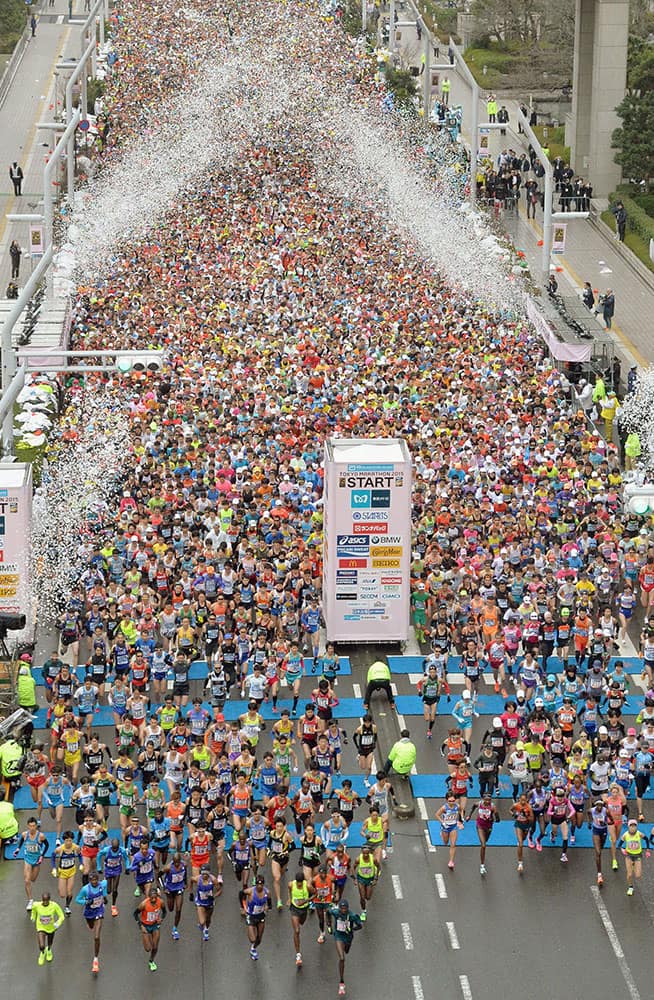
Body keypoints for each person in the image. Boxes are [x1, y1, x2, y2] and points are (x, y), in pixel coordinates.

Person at [328, 897, 363, 996]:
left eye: (345, 908)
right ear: (339, 908)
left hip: (348, 937)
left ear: (348, 908)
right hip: (338, 936)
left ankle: (346, 946)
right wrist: (329, 925)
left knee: (346, 951)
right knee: (342, 958)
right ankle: (341, 982)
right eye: (341, 908)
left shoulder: (352, 915)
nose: (343, 910)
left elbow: (360, 925)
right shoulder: (335, 912)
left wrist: (352, 929)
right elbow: (328, 912)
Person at [75, 871, 107, 973]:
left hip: (99, 911)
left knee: (96, 937)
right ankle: (90, 924)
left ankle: (95, 959)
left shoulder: (102, 884)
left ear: (98, 879)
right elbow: (77, 899)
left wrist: (105, 898)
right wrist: (86, 902)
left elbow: (105, 889)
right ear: (89, 881)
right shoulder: (85, 889)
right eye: (92, 880)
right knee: (91, 926)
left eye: (96, 880)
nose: (94, 882)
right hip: (89, 913)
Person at [14, 816, 48, 909]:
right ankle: (30, 900)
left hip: (36, 860)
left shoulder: (41, 836)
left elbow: (47, 845)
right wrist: (18, 849)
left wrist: (42, 855)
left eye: (34, 826)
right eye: (30, 826)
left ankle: (30, 899)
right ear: (28, 826)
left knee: (33, 879)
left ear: (36, 826)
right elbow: (21, 841)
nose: (32, 828)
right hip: (27, 859)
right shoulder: (25, 834)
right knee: (27, 880)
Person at [618, 818, 651, 895]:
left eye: (634, 826)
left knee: (638, 875)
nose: (633, 828)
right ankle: (630, 887)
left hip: (637, 855)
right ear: (628, 827)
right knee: (629, 874)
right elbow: (620, 844)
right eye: (631, 826)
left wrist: (648, 849)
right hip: (629, 855)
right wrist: (622, 849)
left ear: (637, 827)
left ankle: (633, 865)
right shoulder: (625, 835)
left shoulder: (639, 834)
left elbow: (646, 839)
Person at [135, 886, 165, 970]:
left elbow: (164, 912)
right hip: (145, 926)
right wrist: (141, 925)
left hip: (155, 925)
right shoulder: (143, 904)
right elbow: (135, 914)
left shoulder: (161, 902)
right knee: (148, 949)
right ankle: (146, 938)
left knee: (155, 947)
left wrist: (161, 918)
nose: (154, 900)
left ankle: (151, 961)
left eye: (155, 898)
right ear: (149, 897)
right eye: (152, 898)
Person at [31, 892, 65, 965]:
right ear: (42, 899)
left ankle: (49, 950)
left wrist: (57, 923)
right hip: (41, 927)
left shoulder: (54, 905)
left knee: (50, 942)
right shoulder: (37, 905)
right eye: (44, 900)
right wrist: (33, 917)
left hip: (51, 928)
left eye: (47, 900)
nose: (45, 902)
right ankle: (42, 952)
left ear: (49, 900)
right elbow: (33, 910)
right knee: (41, 945)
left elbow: (62, 916)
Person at [243, 874, 272, 960]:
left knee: (259, 938)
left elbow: (270, 904)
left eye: (261, 884)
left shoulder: (267, 892)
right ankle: (250, 933)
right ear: (255, 884)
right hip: (251, 916)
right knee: (253, 939)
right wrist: (243, 906)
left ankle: (253, 949)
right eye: (258, 884)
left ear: (263, 884)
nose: (259, 886)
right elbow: (241, 894)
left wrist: (267, 908)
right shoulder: (250, 891)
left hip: (261, 916)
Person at [287, 869, 310, 967]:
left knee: (302, 922)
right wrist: (289, 898)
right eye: (298, 883)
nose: (299, 885)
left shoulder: (307, 886)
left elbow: (315, 894)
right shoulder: (291, 884)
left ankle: (299, 921)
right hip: (294, 909)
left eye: (301, 883)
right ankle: (298, 955)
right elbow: (289, 891)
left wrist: (305, 901)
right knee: (297, 931)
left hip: (304, 909)